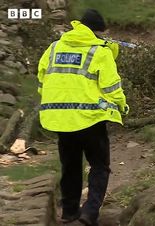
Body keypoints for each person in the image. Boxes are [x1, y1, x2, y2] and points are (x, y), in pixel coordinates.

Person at [37, 9, 129, 226]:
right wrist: (122, 106)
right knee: (99, 165)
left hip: (59, 118)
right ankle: (89, 214)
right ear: (98, 31)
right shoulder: (99, 51)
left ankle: (69, 212)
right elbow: (112, 87)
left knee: (70, 165)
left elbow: (42, 80)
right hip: (90, 119)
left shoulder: (54, 48)